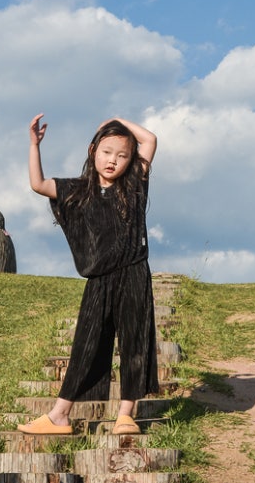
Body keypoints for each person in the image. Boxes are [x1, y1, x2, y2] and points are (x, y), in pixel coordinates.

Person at [17, 113, 159, 435]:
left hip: (134, 273)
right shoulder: (78, 191)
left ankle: (126, 415)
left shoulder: (135, 183)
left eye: (122, 155)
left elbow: (149, 140)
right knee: (87, 343)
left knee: (135, 342)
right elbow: (38, 184)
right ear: (93, 149)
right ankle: (59, 416)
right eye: (107, 152)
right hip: (98, 280)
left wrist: (117, 119)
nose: (113, 161)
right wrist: (34, 145)